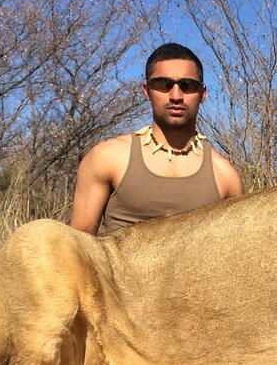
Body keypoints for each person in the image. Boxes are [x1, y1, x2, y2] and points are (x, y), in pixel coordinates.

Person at [70, 43, 244, 235]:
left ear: (202, 93)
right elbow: (77, 251)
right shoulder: (107, 157)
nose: (176, 95)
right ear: (146, 90)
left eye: (187, 86)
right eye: (164, 84)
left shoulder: (226, 176)